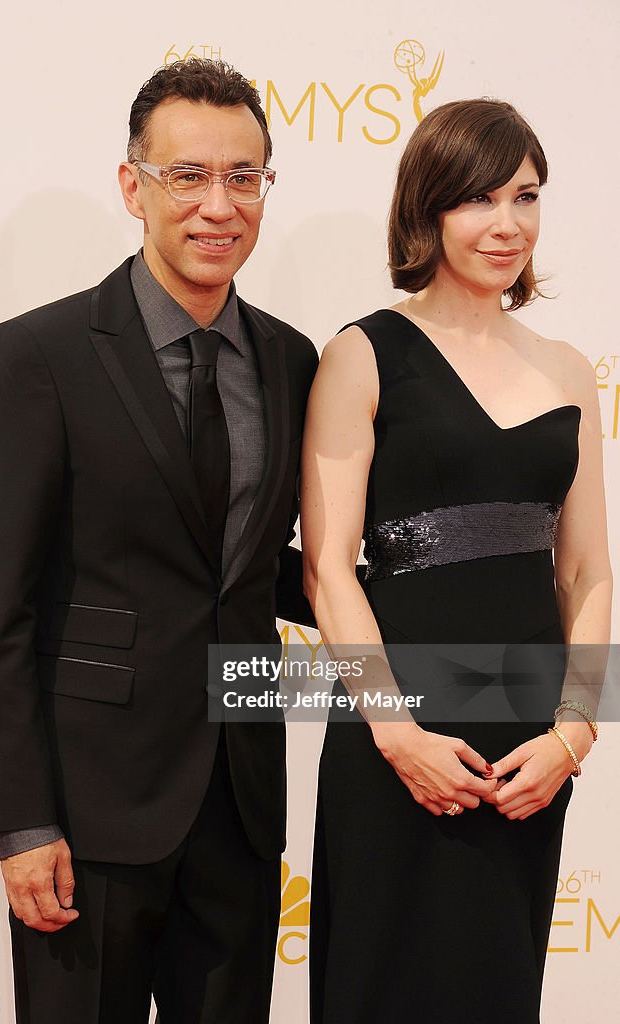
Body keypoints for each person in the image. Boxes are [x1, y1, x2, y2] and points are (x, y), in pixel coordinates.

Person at [0, 58, 317, 1024]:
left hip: (240, 806)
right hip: (87, 812)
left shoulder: (290, 358)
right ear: (134, 186)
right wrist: (22, 819)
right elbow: (0, 608)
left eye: (244, 178)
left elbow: (247, 566)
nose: (218, 205)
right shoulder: (41, 354)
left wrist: (456, 627)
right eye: (187, 176)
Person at [301, 98, 611, 1023]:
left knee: (496, 988)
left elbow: (588, 572)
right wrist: (397, 736)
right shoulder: (363, 353)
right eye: (478, 198)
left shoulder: (567, 369)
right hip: (397, 736)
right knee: (377, 982)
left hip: (528, 747)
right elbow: (327, 570)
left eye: (526, 196)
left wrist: (574, 733)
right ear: (428, 209)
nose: (507, 223)